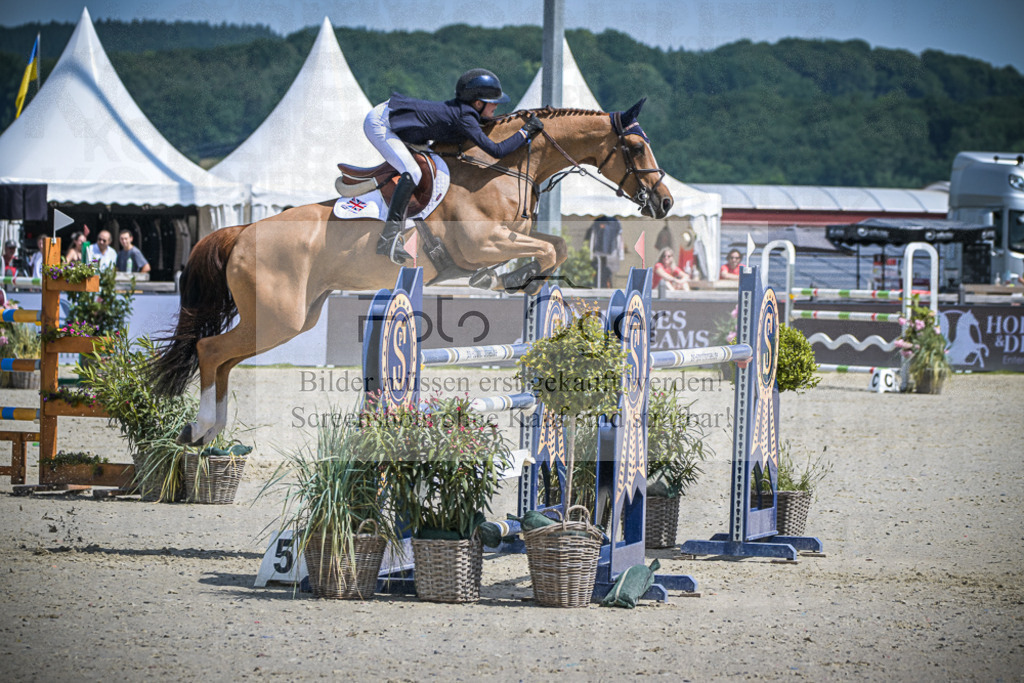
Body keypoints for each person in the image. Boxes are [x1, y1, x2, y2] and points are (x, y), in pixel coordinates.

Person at [364, 68, 544, 264]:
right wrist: (526, 132)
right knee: (413, 172)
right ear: (477, 103)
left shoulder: (467, 113)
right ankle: (388, 238)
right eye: (493, 103)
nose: (495, 107)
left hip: (395, 118)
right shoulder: (465, 118)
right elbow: (497, 151)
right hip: (380, 124)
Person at [584, 216, 624, 288]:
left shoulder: (613, 222)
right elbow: (619, 239)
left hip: (606, 253)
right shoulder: (614, 222)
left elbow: (619, 239)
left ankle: (603, 287)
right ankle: (603, 286)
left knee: (605, 273)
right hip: (608, 253)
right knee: (604, 273)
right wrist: (620, 254)